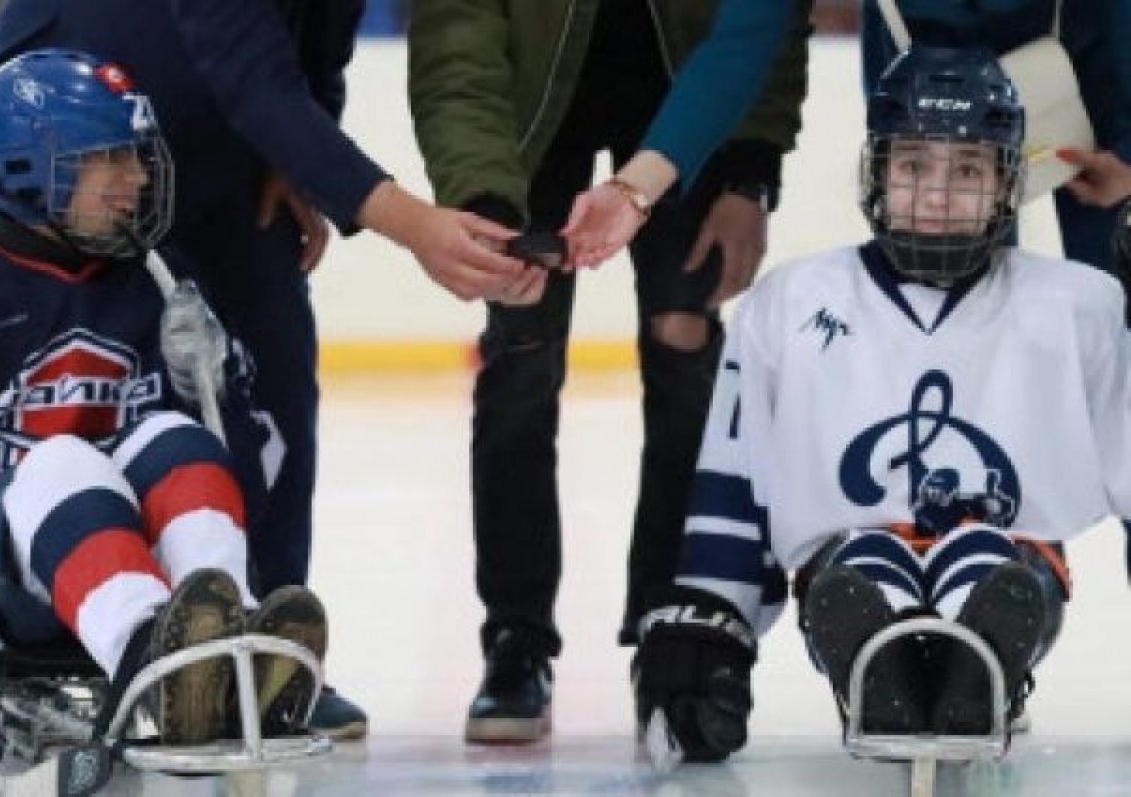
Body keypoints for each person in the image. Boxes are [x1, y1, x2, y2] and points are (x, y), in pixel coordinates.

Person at [0, 0, 526, 736]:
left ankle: (257, 649)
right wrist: (412, 225)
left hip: (229, 140)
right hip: (82, 130)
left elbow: (320, 44)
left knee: (272, 371)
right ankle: (115, 642)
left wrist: (298, 158)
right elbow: (248, 69)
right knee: (106, 382)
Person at [631, 46, 1118, 762]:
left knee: (988, 560)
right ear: (877, 171)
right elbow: (738, 487)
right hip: (843, 567)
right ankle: (883, 659)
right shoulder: (790, 303)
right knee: (860, 567)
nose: (937, 194)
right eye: (914, 165)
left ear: (1010, 182)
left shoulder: (1082, 306)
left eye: (968, 171)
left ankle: (977, 662)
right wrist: (715, 630)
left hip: (1019, 568)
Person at [408, 0, 812, 743]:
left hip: (687, 107)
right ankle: (515, 639)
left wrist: (749, 173)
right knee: (521, 357)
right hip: (530, 124)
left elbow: (768, 24)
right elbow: (454, 37)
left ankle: (670, 622)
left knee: (685, 346)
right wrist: (482, 200)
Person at [0, 49, 328, 781]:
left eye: (135, 157)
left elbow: (250, 478)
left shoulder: (159, 284)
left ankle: (221, 643)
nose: (138, 178)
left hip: (120, 554)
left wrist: (216, 386)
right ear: (27, 168)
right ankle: (157, 656)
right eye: (108, 158)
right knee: (61, 459)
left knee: (174, 434)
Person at [564, 0, 1131, 282]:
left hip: (1098, 84)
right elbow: (741, 42)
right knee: (946, 320)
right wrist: (634, 189)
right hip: (921, 106)